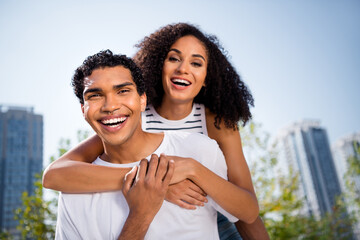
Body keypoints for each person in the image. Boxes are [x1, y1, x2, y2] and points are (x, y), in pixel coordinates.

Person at [43, 23, 269, 239]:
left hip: (214, 212)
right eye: (174, 59)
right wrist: (157, 182)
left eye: (196, 63)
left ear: (208, 77)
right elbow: (56, 175)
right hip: (154, 208)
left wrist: (191, 169)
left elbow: (246, 212)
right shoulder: (129, 117)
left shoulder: (215, 122)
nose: (183, 69)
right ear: (157, 64)